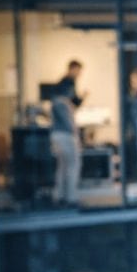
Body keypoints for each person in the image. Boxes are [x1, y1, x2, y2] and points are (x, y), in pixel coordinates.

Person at [49, 60, 86, 207]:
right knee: (73, 164)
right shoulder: (64, 99)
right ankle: (71, 197)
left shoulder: (56, 99)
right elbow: (69, 121)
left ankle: (59, 196)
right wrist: (76, 134)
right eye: (78, 71)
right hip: (66, 135)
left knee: (62, 166)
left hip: (57, 134)